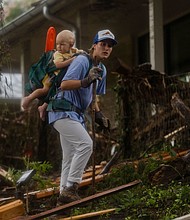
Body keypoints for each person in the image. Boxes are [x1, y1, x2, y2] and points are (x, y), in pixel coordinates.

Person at [47, 29, 117, 204]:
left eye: (110, 46)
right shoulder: (81, 60)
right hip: (62, 109)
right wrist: (86, 80)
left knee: (69, 156)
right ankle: (72, 186)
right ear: (94, 46)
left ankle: (63, 198)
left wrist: (99, 115)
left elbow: (93, 98)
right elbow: (64, 84)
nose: (106, 48)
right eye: (103, 44)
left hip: (75, 114)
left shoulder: (102, 69)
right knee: (86, 145)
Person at [21, 30, 84, 115]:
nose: (58, 47)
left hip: (59, 79)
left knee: (54, 94)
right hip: (51, 77)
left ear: (71, 44)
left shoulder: (73, 51)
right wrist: (71, 61)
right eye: (57, 44)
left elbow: (81, 53)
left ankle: (42, 108)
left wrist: (83, 54)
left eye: (62, 44)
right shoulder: (58, 54)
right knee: (45, 90)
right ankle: (29, 98)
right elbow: (58, 65)